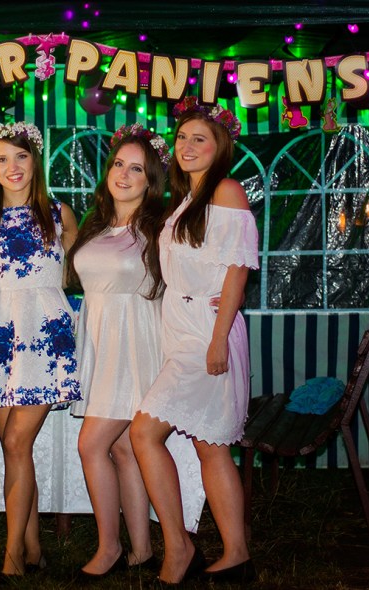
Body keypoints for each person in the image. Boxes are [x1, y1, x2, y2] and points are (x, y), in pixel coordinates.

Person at [130, 96, 259, 586]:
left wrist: (219, 338)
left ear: (219, 146)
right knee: (211, 447)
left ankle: (179, 547)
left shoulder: (226, 190)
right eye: (181, 137)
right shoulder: (189, 197)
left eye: (198, 138)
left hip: (208, 330)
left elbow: (237, 270)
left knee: (144, 433)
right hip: (185, 327)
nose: (186, 146)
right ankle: (236, 554)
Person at [0, 121, 80, 580]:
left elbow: (84, 274)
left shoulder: (60, 213)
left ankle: (11, 556)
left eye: (21, 156)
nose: (13, 167)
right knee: (15, 451)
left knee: (14, 441)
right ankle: (32, 547)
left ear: (35, 160)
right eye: (2, 159)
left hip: (46, 338)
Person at [67, 123, 169, 579]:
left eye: (137, 169)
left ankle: (109, 548)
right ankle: (142, 552)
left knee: (91, 444)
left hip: (135, 342)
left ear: (151, 181)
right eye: (118, 165)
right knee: (124, 449)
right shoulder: (96, 223)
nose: (124, 175)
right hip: (99, 339)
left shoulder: (160, 227)